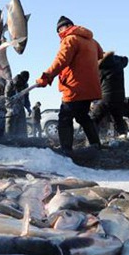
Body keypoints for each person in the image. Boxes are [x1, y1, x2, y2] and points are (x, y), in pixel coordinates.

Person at [35, 16, 103, 154]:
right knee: (82, 116)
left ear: (64, 28)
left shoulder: (70, 39)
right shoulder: (92, 41)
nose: (59, 33)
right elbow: (100, 55)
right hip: (91, 87)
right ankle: (96, 146)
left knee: (65, 118)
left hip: (74, 86)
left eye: (59, 30)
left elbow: (61, 60)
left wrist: (46, 77)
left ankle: (66, 151)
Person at [90, 51, 129, 139]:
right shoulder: (119, 62)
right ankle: (123, 138)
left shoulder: (100, 67)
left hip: (106, 97)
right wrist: (116, 57)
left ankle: (93, 140)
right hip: (120, 97)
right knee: (118, 118)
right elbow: (126, 60)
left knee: (93, 119)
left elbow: (96, 85)